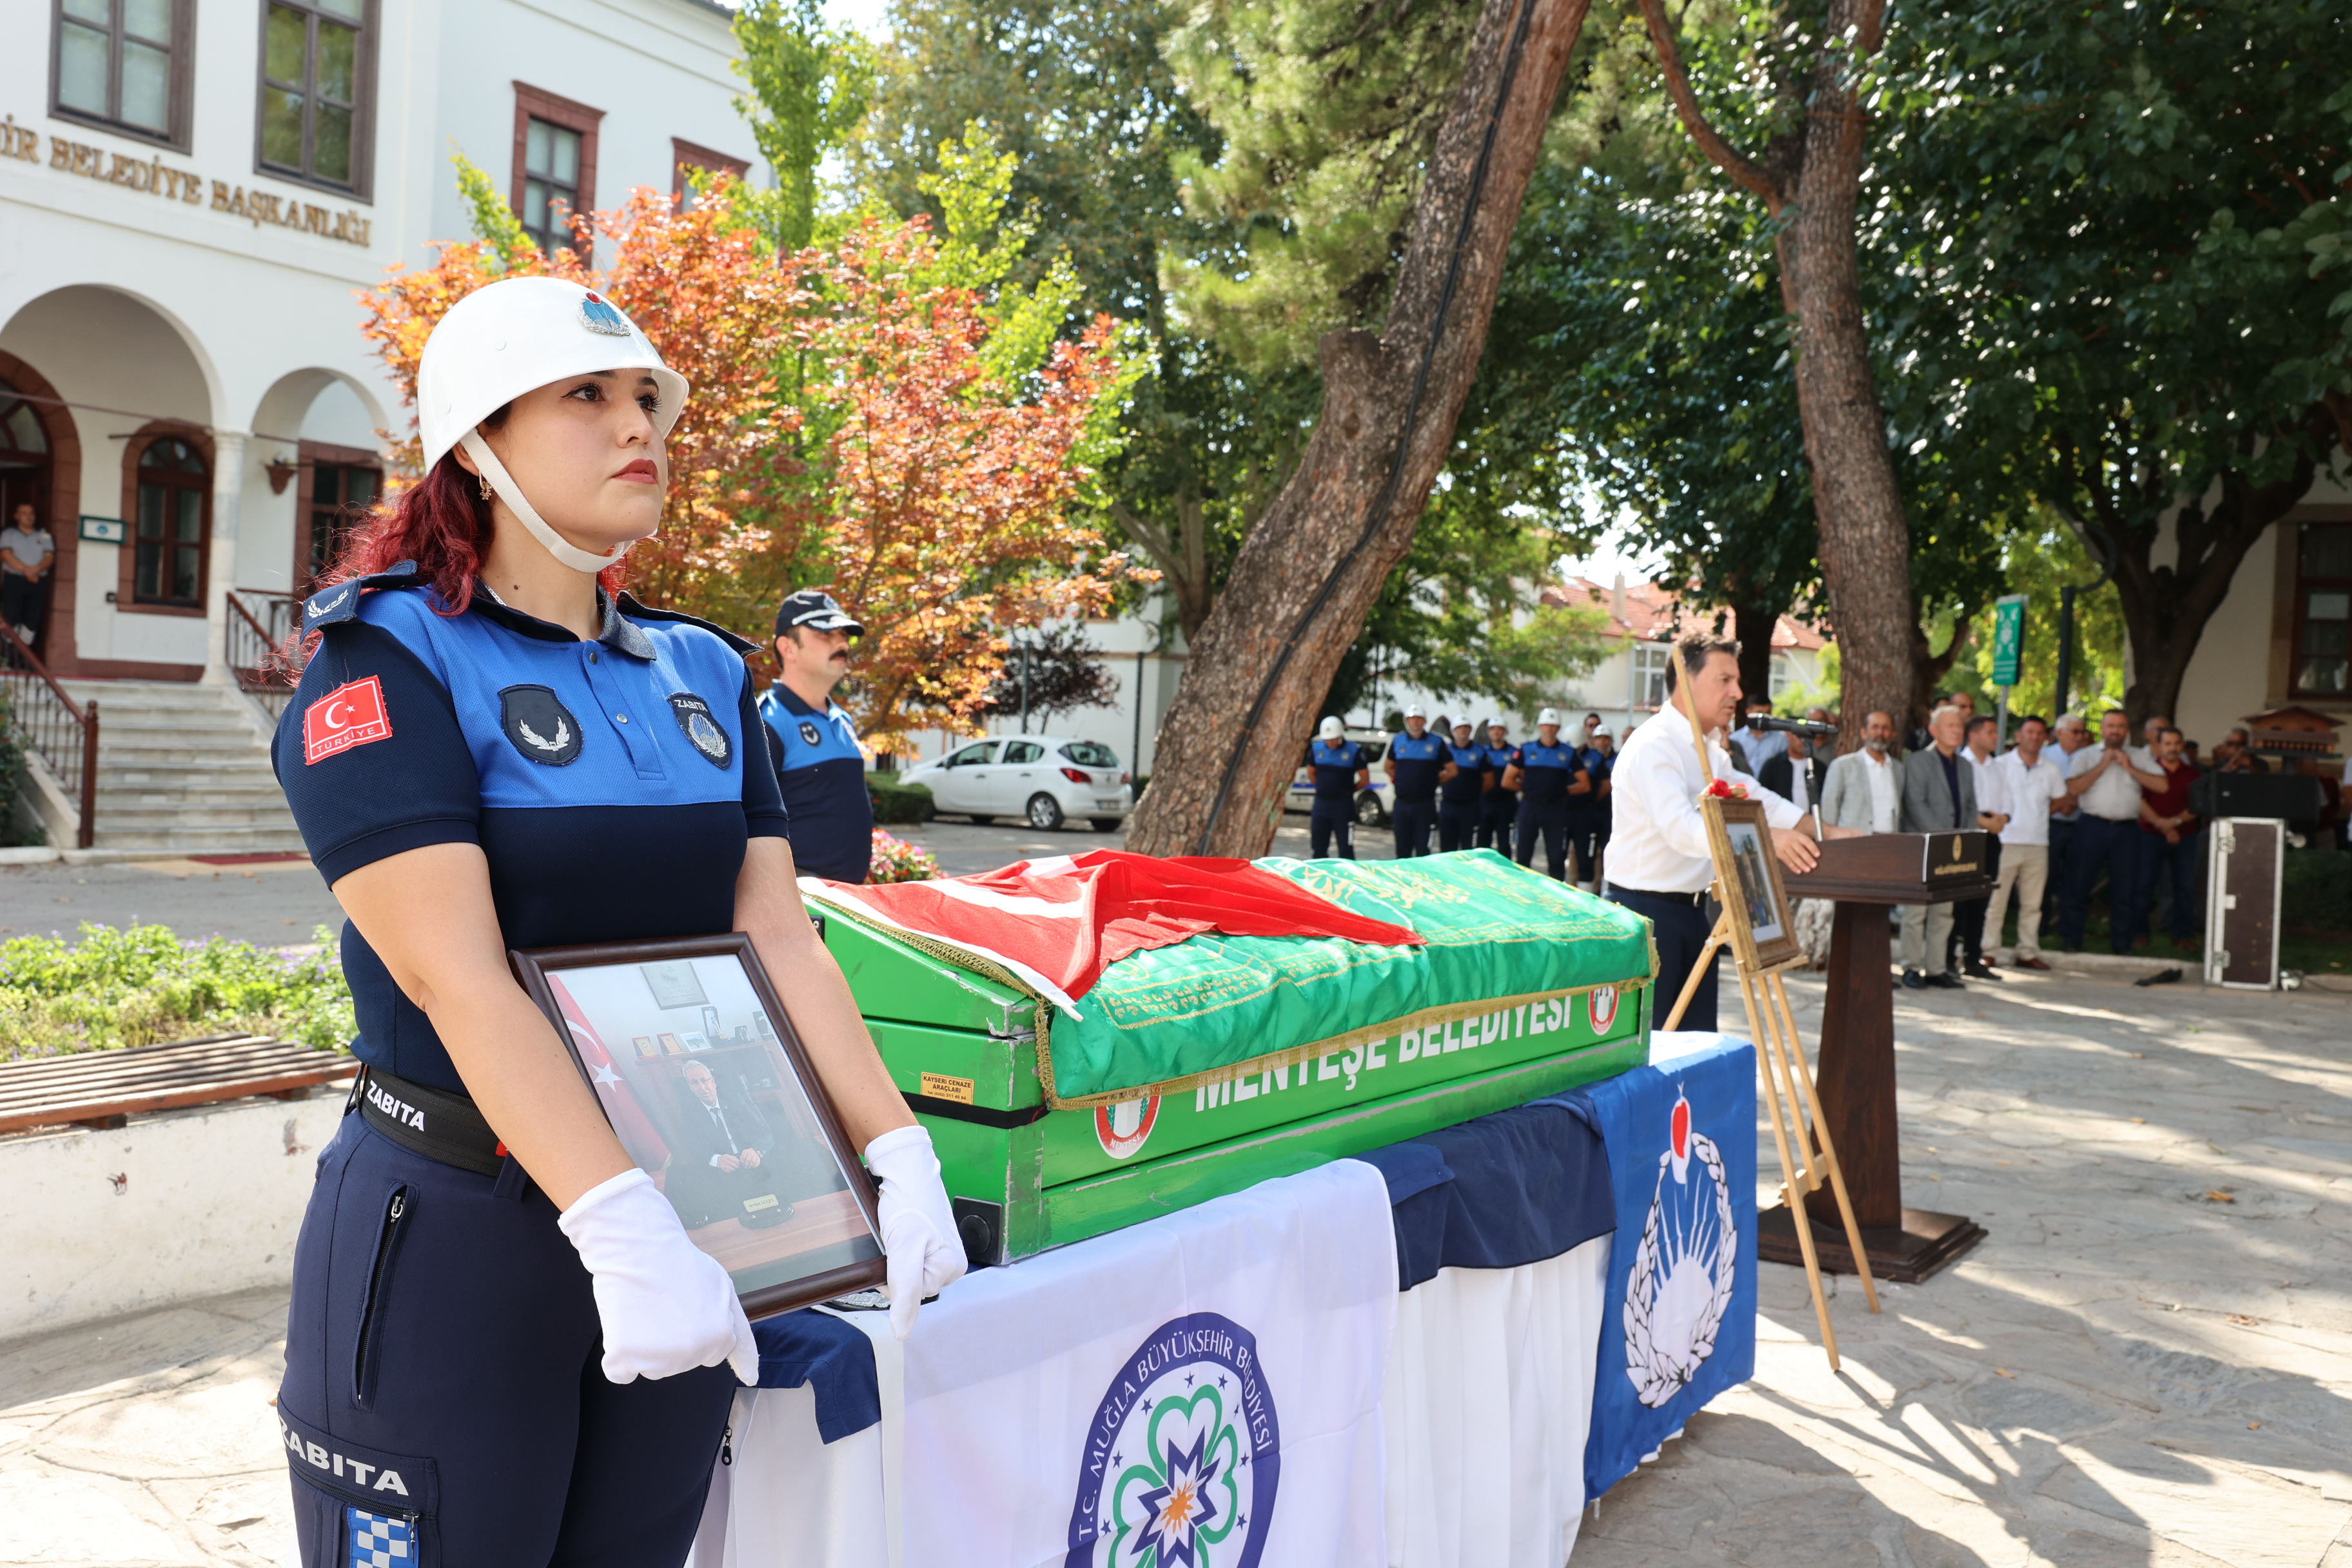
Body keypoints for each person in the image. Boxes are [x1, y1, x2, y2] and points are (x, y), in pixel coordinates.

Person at [267, 277, 965, 1567]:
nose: (635, 420)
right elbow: (456, 978)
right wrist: (615, 1218)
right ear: (476, 447)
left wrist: (894, 1147)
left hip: (694, 1211)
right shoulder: (387, 664)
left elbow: (778, 942)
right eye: (586, 394)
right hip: (463, 1228)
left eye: (646, 395)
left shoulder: (705, 674)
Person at [1607, 631, 1819, 1032]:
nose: (1738, 693)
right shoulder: (1654, 745)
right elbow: (1682, 830)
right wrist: (1768, 841)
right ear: (1686, 680)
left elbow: (1762, 803)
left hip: (1692, 914)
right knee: (1647, 1053)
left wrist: (1835, 834)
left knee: (1692, 1049)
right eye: (1725, 680)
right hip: (1645, 918)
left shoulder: (1708, 752)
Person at [757, 589, 873, 883]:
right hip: (801, 904)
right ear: (788, 648)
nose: (841, 642)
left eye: (844, 634)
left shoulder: (843, 718)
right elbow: (751, 826)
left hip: (845, 899)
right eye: (825, 633)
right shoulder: (768, 721)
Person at [2058, 709, 2166, 954]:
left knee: (2125, 888)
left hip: (2127, 830)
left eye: (2120, 726)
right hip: (2091, 826)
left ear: (2127, 731)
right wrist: (2103, 764)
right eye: (2110, 726)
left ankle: (2121, 943)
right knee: (2078, 884)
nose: (2115, 731)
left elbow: (2162, 785)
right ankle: (2072, 939)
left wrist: (2130, 768)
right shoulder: (2086, 756)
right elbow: (2073, 788)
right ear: (2102, 730)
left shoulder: (2139, 756)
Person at [1898, 705, 1977, 990]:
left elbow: (1970, 805)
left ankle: (1936, 969)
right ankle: (1910, 967)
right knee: (1915, 912)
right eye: (1951, 725)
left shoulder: (1966, 765)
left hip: (1953, 851)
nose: (1958, 730)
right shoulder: (1919, 761)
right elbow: (1915, 804)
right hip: (1923, 845)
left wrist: (1964, 838)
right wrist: (1945, 837)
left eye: (1960, 726)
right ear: (1934, 730)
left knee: (1944, 913)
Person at [663, 1059, 789, 1230]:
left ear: (713, 1082)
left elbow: (765, 1133)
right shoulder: (691, 1111)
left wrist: (756, 1150)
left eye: (704, 1080)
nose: (701, 1087)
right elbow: (695, 1146)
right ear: (690, 1088)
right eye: (694, 1083)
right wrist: (717, 1159)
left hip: (753, 1163)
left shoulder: (736, 1101)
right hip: (724, 1170)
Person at [1984, 716, 2068, 970]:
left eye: (2039, 733)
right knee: (1996, 901)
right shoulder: (2000, 765)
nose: (2034, 737)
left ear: (2046, 738)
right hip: (2006, 841)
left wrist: (2038, 814)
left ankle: (2027, 951)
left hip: (2037, 843)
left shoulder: (2051, 768)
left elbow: (2059, 801)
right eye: (2029, 732)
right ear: (2019, 736)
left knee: (2033, 904)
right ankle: (1988, 950)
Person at [2124, 726, 2204, 950]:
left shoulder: (2193, 775)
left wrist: (2175, 823)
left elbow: (2198, 806)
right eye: (2167, 744)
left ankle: (2182, 935)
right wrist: (2162, 825)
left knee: (2185, 887)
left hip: (2186, 836)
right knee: (2144, 886)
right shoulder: (2149, 771)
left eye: (2177, 744)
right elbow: (2139, 801)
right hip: (2150, 835)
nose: (2172, 748)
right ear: (2158, 747)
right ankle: (2140, 933)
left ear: (2182, 745)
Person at [1947, 714, 2012, 980]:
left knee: (1982, 900)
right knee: (1957, 903)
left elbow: (2009, 799)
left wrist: (2002, 819)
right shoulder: (1961, 764)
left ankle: (1974, 959)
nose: (1996, 737)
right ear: (1974, 735)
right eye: (1991, 732)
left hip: (1992, 837)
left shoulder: (1998, 767)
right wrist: (1982, 821)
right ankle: (1948, 960)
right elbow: (1959, 802)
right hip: (1967, 835)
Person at [1504, 707, 1587, 881]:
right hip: (1530, 807)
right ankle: (1520, 892)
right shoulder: (1526, 750)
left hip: (1556, 809)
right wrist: (1528, 789)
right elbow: (1507, 780)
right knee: (1523, 854)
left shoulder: (1568, 752)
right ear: (1540, 727)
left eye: (1553, 725)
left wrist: (1561, 792)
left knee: (1556, 857)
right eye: (1546, 725)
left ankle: (1554, 898)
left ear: (1558, 728)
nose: (1549, 729)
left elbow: (1584, 784)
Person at [1384, 702, 1450, 858]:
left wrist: (1435, 781)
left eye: (1419, 719)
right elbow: (1388, 767)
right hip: (1402, 804)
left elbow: (1452, 770)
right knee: (1402, 849)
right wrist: (1399, 780)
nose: (1415, 722)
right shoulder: (1398, 741)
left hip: (1425, 805)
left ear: (1425, 721)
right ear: (1407, 721)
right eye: (1412, 719)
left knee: (1424, 849)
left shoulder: (1436, 742)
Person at [1819, 710, 1901, 834]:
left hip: (1891, 841)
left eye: (1886, 728)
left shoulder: (1898, 768)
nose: (1880, 732)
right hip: (1854, 842)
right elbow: (1829, 809)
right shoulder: (1843, 766)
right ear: (1863, 733)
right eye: (1875, 727)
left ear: (1893, 734)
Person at [2045, 712, 2092, 926]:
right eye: (2075, 732)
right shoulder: (2045, 756)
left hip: (2080, 824)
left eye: (2083, 732)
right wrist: (2064, 803)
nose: (2080, 737)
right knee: (2047, 875)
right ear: (2059, 733)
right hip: (2052, 824)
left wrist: (2072, 801)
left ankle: (2069, 925)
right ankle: (2042, 923)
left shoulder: (2089, 757)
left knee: (2076, 877)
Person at [1306, 716, 1369, 859]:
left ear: (1340, 735)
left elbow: (1365, 779)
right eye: (1328, 739)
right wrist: (1324, 788)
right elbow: (1311, 773)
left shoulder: (1354, 751)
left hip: (1343, 805)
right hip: (1321, 804)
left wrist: (1347, 791)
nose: (1331, 742)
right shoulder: (1316, 749)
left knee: (1346, 848)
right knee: (1318, 848)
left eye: (1334, 738)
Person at [1, 502, 54, 649]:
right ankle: (8, 656)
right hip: (15, 580)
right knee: (11, 618)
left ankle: (24, 657)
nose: (29, 517)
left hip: (37, 582)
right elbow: (6, 555)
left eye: (31, 513)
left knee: (32, 620)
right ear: (16, 516)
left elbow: (49, 557)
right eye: (24, 513)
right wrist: (27, 571)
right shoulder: (8, 534)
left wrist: (36, 569)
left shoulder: (44, 535)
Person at [1437, 719, 1488, 852]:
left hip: (1470, 807)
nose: (1463, 730)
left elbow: (1489, 781)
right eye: (1460, 728)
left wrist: (1474, 793)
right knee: (1447, 848)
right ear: (1453, 731)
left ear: (1470, 730)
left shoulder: (1480, 752)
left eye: (1466, 727)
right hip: (1448, 804)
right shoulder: (1445, 750)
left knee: (1468, 848)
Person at [1757, 729, 1827, 816]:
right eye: (1799, 737)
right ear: (1789, 735)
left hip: (1812, 821)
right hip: (1781, 820)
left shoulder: (1819, 767)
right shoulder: (1773, 765)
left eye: (1807, 738)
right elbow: (1763, 794)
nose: (1803, 741)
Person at [1476, 718, 1518, 859]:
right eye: (1493, 729)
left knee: (1505, 843)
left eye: (1500, 729)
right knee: (1482, 841)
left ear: (1505, 731)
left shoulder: (1514, 753)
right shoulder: (1482, 752)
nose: (1496, 732)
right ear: (1489, 732)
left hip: (1506, 803)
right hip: (1485, 802)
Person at [1584, 726, 1616, 888]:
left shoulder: (1618, 758)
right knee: (1589, 853)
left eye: (1606, 738)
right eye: (1599, 738)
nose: (1602, 741)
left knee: (1607, 850)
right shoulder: (1590, 758)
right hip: (1591, 811)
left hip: (1610, 813)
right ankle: (1589, 889)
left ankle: (1605, 890)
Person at [1729, 695, 1785, 776]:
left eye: (1768, 713)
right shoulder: (1735, 739)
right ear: (1748, 712)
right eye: (1760, 713)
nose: (1764, 718)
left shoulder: (1781, 739)